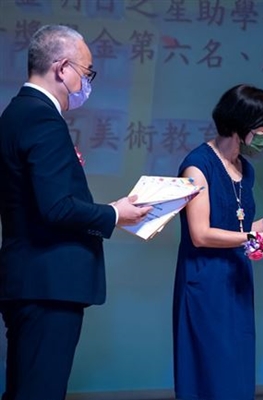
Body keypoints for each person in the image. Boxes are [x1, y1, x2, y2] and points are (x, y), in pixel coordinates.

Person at [0, 25, 153, 400]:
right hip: (48, 283)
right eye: (87, 73)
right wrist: (114, 214)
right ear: (62, 68)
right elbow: (56, 207)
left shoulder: (17, 112)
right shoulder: (41, 117)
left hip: (29, 280)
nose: (87, 83)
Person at [173, 83, 263, 400]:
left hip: (236, 279)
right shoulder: (198, 166)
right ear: (240, 125)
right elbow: (201, 233)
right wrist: (260, 236)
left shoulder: (244, 169)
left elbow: (239, 227)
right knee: (211, 367)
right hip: (205, 281)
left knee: (236, 367)